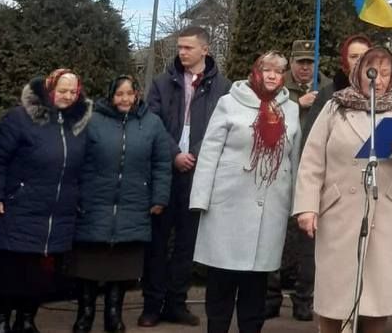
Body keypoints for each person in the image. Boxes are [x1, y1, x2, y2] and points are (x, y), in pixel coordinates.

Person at [294, 47, 392, 333]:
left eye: (384, 73)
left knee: (376, 299)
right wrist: (307, 207)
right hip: (340, 214)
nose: (378, 80)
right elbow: (311, 159)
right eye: (372, 73)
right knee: (335, 296)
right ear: (358, 73)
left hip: (385, 216)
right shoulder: (336, 106)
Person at [189, 51, 301, 333]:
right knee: (222, 283)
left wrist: (295, 204)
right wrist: (200, 199)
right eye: (267, 69)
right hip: (226, 208)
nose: (273, 75)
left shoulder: (291, 108)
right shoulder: (229, 102)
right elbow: (209, 153)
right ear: (256, 71)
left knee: (256, 287)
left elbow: (294, 158)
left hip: (269, 209)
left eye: (279, 71)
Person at [0, 70, 93, 333]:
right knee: (11, 273)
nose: (67, 96)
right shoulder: (19, 118)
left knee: (39, 277)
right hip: (18, 208)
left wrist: (80, 199)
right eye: (62, 90)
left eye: (72, 91)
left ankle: (26, 319)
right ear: (48, 89)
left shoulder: (78, 126)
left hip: (57, 213)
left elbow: (86, 167)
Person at [140, 26, 231, 327]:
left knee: (187, 244)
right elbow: (151, 121)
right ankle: (152, 305)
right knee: (158, 242)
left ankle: (176, 303)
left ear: (205, 49)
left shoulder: (223, 87)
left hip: (200, 174)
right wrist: (173, 155)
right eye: (179, 47)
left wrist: (196, 154)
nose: (182, 52)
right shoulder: (161, 83)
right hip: (165, 173)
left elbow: (224, 127)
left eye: (188, 47)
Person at [70, 76, 173, 333]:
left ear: (137, 94)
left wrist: (159, 197)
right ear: (110, 95)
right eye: (119, 94)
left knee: (122, 266)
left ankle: (113, 315)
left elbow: (161, 163)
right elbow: (77, 159)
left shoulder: (152, 123)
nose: (125, 99)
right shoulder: (92, 120)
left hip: (133, 205)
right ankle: (85, 314)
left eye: (130, 93)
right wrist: (77, 195)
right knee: (88, 265)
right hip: (95, 203)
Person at [266, 40, 332, 322]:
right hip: (281, 168)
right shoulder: (277, 86)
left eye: (310, 62)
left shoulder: (327, 88)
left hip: (313, 169)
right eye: (301, 62)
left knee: (308, 240)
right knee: (275, 237)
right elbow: (262, 113)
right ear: (292, 63)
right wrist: (295, 103)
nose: (305, 68)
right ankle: (270, 296)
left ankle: (304, 298)